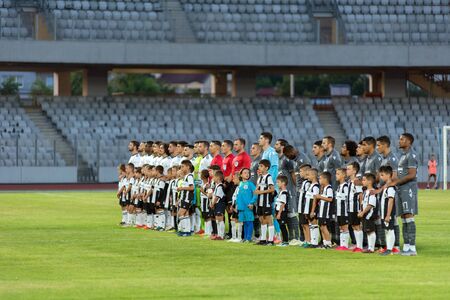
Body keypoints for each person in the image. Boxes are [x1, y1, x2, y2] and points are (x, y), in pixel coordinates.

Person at [391, 133, 419, 256]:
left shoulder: (412, 155)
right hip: (401, 189)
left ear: (408, 142)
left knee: (409, 216)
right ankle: (406, 246)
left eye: (402, 139)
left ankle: (412, 248)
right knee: (403, 217)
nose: (399, 141)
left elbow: (412, 174)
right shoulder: (403, 155)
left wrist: (397, 182)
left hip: (408, 189)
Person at [376, 135, 401, 253]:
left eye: (379, 145)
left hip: (390, 192)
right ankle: (389, 245)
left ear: (385, 145)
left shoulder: (392, 159)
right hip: (385, 191)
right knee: (386, 222)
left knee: (392, 220)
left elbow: (394, 178)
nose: (377, 148)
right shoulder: (384, 158)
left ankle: (395, 246)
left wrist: (385, 187)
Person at [284, 144, 311, 245]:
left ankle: (307, 239)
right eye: (286, 155)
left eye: (288, 154)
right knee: (301, 216)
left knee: (305, 216)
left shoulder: (302, 159)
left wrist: (302, 189)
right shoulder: (295, 160)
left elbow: (307, 174)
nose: (288, 156)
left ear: (293, 150)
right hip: (299, 190)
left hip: (304, 191)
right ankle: (303, 238)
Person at [255, 159, 276, 246]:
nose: (259, 168)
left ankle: (271, 240)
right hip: (259, 202)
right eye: (259, 166)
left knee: (269, 220)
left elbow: (272, 189)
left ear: (266, 168)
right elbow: (257, 188)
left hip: (266, 202)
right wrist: (256, 190)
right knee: (262, 220)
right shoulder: (260, 177)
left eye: (261, 166)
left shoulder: (268, 177)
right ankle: (263, 239)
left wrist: (261, 192)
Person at [312, 172, 334, 249]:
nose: (319, 180)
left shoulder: (329, 188)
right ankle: (324, 243)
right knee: (321, 227)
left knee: (324, 227)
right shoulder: (324, 188)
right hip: (321, 211)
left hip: (325, 212)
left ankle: (328, 243)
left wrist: (320, 197)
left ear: (325, 179)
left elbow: (330, 199)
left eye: (320, 178)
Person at [379, 166, 397, 256]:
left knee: (390, 230)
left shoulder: (390, 188)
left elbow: (391, 201)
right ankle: (388, 248)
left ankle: (390, 250)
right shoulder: (386, 187)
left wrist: (388, 215)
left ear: (389, 175)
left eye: (382, 175)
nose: (380, 177)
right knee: (387, 230)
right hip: (384, 213)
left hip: (388, 213)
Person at [346, 161, 364, 252]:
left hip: (355, 208)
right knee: (353, 226)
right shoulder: (349, 181)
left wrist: (361, 209)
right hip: (350, 208)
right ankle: (357, 245)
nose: (347, 171)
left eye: (349, 169)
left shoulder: (357, 181)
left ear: (354, 171)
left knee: (357, 226)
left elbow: (361, 195)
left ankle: (360, 246)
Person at [358, 173, 377, 254]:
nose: (362, 181)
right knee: (368, 231)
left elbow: (370, 205)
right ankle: (370, 247)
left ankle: (371, 248)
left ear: (370, 181)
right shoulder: (365, 191)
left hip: (369, 215)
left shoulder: (372, 192)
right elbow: (364, 203)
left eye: (364, 180)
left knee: (371, 231)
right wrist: (360, 210)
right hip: (365, 215)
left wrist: (363, 212)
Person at [236, 168, 257, 243]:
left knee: (249, 222)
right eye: (245, 173)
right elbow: (238, 196)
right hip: (241, 207)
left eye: (248, 173)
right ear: (241, 175)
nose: (247, 174)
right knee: (244, 222)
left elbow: (256, 193)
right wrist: (237, 205)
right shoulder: (240, 184)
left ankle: (248, 238)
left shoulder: (250, 184)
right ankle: (245, 237)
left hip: (248, 207)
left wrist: (251, 202)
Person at [177, 160, 195, 237]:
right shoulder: (186, 176)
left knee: (180, 213)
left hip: (187, 198)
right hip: (185, 198)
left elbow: (192, 187)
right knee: (186, 214)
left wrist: (182, 188)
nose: (181, 168)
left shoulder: (190, 176)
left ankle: (185, 230)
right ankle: (187, 231)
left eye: (182, 166)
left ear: (188, 167)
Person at [304, 168, 321, 248]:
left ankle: (315, 242)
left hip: (312, 208)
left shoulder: (316, 186)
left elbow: (315, 199)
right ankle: (312, 241)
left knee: (314, 224)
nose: (307, 176)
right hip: (308, 208)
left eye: (308, 175)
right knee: (311, 224)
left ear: (314, 175)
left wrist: (312, 210)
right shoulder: (310, 185)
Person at [334, 168, 350, 251]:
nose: (336, 175)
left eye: (338, 174)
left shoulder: (345, 186)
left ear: (344, 175)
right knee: (341, 227)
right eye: (336, 174)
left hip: (344, 211)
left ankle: (345, 245)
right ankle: (342, 244)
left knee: (345, 228)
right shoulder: (338, 187)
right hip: (339, 211)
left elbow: (347, 199)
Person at [297, 164, 312, 246]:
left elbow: (307, 197)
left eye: (301, 171)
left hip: (304, 207)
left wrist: (306, 208)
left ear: (307, 172)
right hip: (301, 207)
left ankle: (309, 240)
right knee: (303, 224)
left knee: (306, 225)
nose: (299, 173)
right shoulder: (304, 182)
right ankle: (306, 240)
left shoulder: (308, 183)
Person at [210, 170, 226, 240]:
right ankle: (218, 234)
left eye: (214, 177)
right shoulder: (217, 186)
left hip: (220, 204)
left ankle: (221, 235)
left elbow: (217, 197)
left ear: (218, 177)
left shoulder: (220, 186)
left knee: (220, 219)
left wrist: (212, 203)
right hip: (217, 204)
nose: (213, 178)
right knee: (217, 220)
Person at [275, 175, 290, 247]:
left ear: (283, 183)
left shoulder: (284, 193)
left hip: (282, 212)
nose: (277, 184)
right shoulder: (281, 192)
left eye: (278, 182)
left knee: (283, 226)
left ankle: (286, 241)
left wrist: (279, 213)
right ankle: (283, 241)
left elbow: (283, 204)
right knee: (281, 226)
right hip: (279, 212)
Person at [199, 169, 212, 236]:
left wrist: (203, 191)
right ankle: (206, 232)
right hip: (203, 204)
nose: (199, 175)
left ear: (203, 176)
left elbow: (209, 195)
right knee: (205, 217)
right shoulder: (203, 184)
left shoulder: (208, 185)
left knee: (208, 217)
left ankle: (209, 232)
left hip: (206, 203)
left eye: (201, 174)